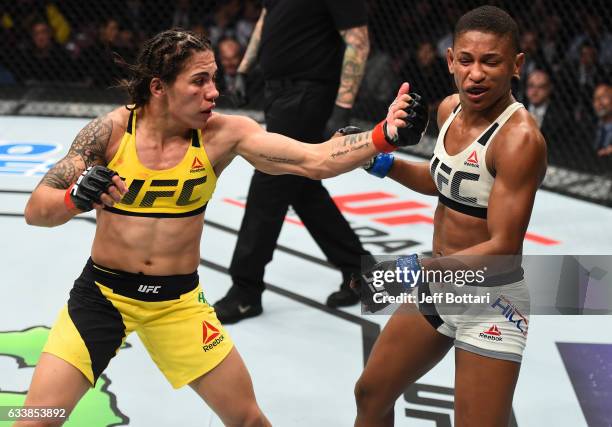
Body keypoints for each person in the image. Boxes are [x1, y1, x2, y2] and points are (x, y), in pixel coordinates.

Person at [19, 29, 427, 426]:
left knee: (248, 419)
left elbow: (314, 159)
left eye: (214, 79)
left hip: (176, 303)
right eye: (199, 81)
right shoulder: (108, 134)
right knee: (37, 420)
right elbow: (37, 210)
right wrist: (75, 197)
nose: (214, 92)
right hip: (103, 296)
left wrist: (384, 135)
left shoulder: (224, 134)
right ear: (159, 87)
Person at [351, 6, 547, 426]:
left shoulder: (520, 139)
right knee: (371, 394)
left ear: (515, 66)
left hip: (491, 299)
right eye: (466, 60)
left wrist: (416, 270)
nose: (476, 73)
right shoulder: (450, 110)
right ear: (450, 60)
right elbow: (446, 182)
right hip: (441, 284)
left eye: (491, 61)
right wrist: (381, 161)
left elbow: (504, 247)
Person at [214, 0, 373, 323]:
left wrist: (342, 106)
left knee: (269, 181)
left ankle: (245, 291)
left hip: (308, 94)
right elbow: (265, 17)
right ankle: (362, 272)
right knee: (302, 188)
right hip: (279, 93)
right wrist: (245, 68)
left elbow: (358, 40)